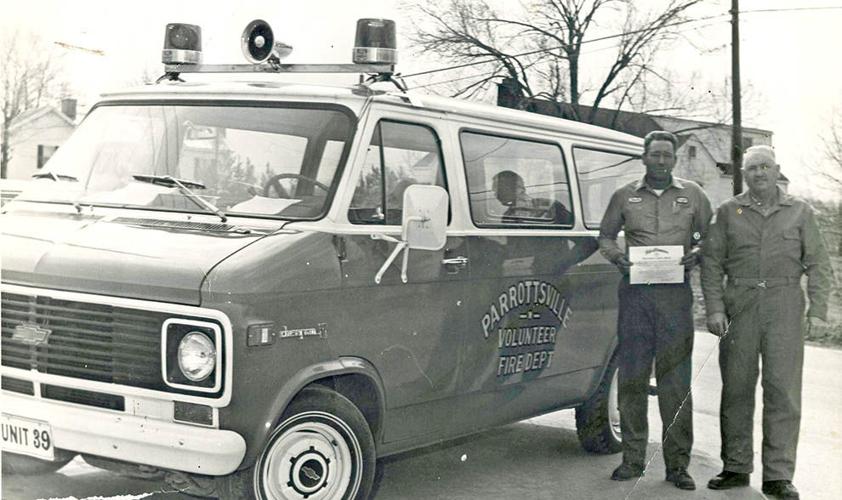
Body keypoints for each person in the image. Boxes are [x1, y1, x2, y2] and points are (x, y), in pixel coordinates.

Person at [701, 145, 833, 499]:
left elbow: (819, 262)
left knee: (783, 392)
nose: (759, 173)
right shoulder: (728, 211)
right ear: (744, 174)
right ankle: (735, 466)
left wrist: (818, 311)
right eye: (752, 169)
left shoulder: (800, 212)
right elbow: (712, 263)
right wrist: (714, 308)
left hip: (785, 304)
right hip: (739, 304)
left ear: (777, 170)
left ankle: (778, 475)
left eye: (765, 167)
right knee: (737, 388)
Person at [599, 130, 712, 491]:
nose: (661, 161)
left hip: (674, 298)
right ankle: (632, 460)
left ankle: (678, 466)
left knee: (675, 383)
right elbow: (604, 237)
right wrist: (620, 259)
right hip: (636, 296)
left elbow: (710, 236)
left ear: (675, 160)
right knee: (632, 378)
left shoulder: (693, 195)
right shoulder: (624, 196)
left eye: (667, 155)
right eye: (655, 155)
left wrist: (699, 252)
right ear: (644, 157)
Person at [492, 169, 572, 225]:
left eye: (497, 190)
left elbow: (582, 239)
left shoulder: (550, 206)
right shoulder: (508, 216)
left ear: (511, 188)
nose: (495, 194)